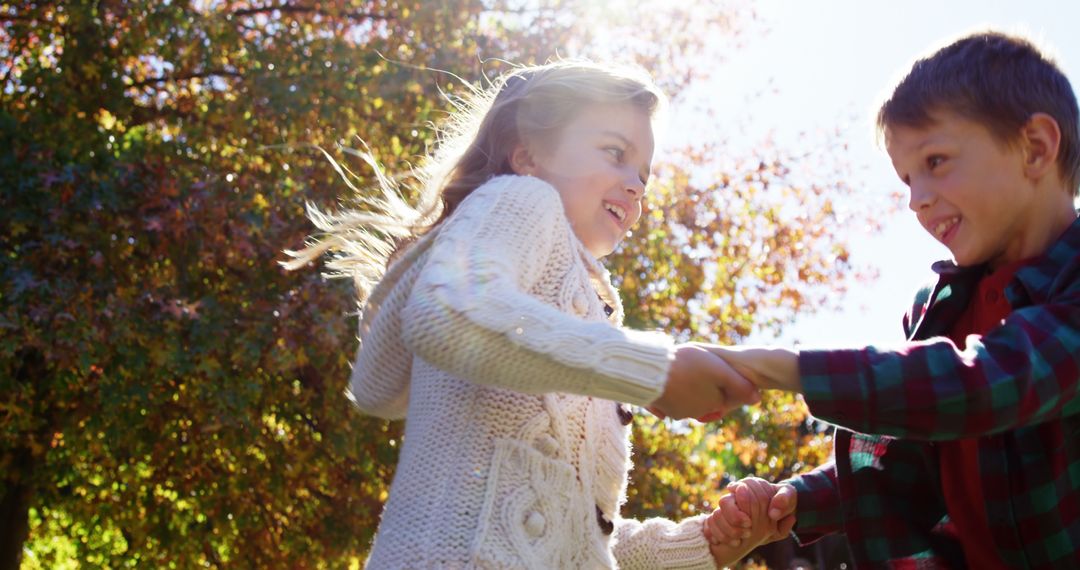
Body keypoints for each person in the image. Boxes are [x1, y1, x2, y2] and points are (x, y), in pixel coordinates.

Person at [285, 60, 762, 569]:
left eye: (642, 175)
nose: (636, 185)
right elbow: (447, 315)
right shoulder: (522, 198)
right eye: (616, 153)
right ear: (527, 155)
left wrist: (706, 544)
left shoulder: (587, 320)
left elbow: (563, 533)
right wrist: (652, 371)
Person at [701, 31, 1080, 569]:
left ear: (1036, 147)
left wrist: (772, 368)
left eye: (936, 160)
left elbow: (988, 383)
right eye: (906, 178)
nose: (916, 200)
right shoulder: (939, 308)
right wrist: (795, 502)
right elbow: (906, 453)